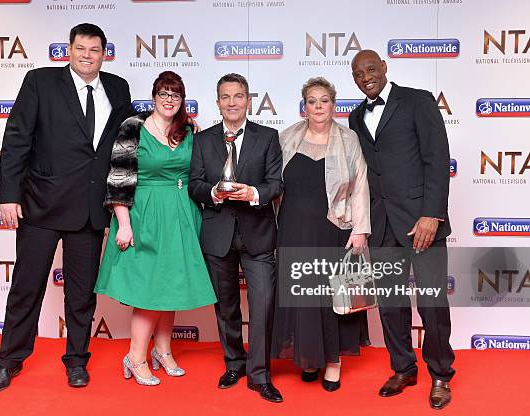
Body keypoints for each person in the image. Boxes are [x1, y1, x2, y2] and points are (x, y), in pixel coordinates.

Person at [0, 23, 135, 393]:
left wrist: (177, 129)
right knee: (26, 287)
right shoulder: (40, 82)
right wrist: (8, 194)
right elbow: (17, 138)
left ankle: (76, 361)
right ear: (68, 50)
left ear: (105, 53)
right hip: (40, 205)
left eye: (95, 50)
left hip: (89, 210)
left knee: (82, 294)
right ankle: (9, 360)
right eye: (80, 49)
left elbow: (129, 139)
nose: (87, 56)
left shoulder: (118, 88)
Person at [94, 71, 216, 386]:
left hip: (182, 214)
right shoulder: (133, 128)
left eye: (175, 95)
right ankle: (135, 357)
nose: (169, 100)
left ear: (182, 99)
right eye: (163, 93)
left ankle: (163, 350)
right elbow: (118, 177)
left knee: (170, 286)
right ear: (153, 96)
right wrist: (123, 224)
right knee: (149, 291)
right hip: (144, 214)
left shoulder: (188, 130)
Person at [348, 49, 455, 410]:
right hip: (381, 224)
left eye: (371, 69)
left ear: (384, 68)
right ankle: (403, 368)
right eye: (358, 73)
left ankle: (441, 373)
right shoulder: (355, 117)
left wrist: (432, 214)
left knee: (431, 302)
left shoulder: (417, 101)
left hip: (420, 222)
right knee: (391, 304)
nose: (365, 77)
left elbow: (437, 159)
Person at [189, 73, 284, 403]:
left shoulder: (268, 137)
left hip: (257, 234)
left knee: (263, 305)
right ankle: (234, 363)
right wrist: (213, 193)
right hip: (218, 235)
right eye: (225, 97)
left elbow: (276, 183)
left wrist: (254, 192)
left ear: (248, 100)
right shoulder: (202, 141)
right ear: (217, 103)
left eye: (239, 96)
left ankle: (259, 374)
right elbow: (194, 184)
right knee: (226, 307)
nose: (232, 102)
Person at [271, 77, 371, 392]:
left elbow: (361, 186)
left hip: (333, 229)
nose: (318, 106)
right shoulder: (286, 137)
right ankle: (308, 357)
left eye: (324, 100)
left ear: (333, 105)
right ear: (305, 107)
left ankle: (332, 362)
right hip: (292, 230)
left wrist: (360, 229)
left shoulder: (349, 139)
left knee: (330, 298)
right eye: (312, 101)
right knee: (301, 296)